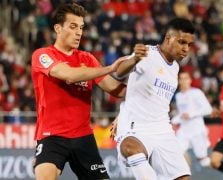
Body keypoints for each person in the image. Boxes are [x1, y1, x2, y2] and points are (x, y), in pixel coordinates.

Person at [31, 3, 147, 180]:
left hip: (83, 137)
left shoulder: (87, 59)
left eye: (81, 27)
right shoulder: (43, 55)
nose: (79, 32)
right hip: (51, 136)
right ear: (57, 28)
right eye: (73, 26)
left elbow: (114, 89)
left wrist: (145, 91)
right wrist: (110, 68)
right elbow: (68, 75)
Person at [113, 18, 196, 180]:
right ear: (168, 37)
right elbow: (119, 72)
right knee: (131, 148)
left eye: (189, 45)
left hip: (163, 130)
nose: (186, 49)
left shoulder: (176, 67)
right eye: (181, 42)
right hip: (136, 128)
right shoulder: (148, 54)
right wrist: (134, 59)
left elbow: (151, 98)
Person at [171, 71, 212, 167]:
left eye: (185, 78)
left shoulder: (196, 93)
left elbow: (208, 109)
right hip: (184, 131)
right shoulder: (178, 96)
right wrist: (174, 120)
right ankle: (184, 174)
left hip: (197, 130)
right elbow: (182, 114)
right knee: (176, 154)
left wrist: (191, 114)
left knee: (204, 161)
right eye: (180, 79)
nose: (183, 81)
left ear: (190, 80)